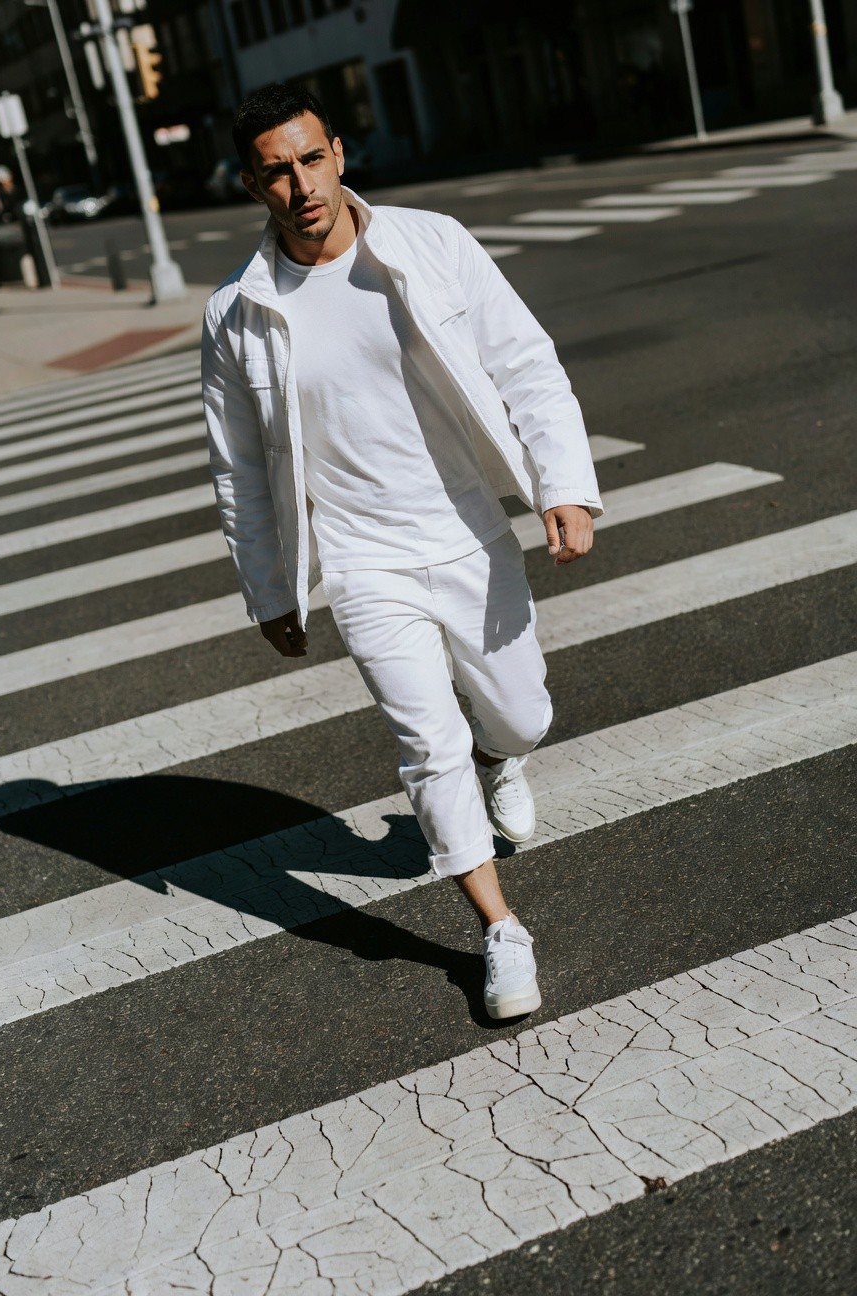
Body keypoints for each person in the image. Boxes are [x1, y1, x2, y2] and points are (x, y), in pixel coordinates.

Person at [201, 84, 603, 1020]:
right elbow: (239, 470)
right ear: (252, 185)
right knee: (426, 745)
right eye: (275, 171)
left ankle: (502, 758)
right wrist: (271, 590)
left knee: (521, 715)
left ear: (338, 153)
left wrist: (564, 484)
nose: (299, 185)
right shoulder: (236, 314)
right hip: (360, 560)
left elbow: (527, 363)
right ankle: (500, 931)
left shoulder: (431, 243)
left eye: (310, 159)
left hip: (464, 528)